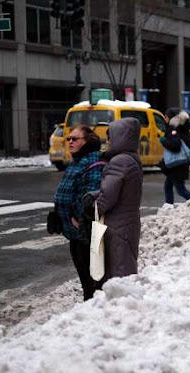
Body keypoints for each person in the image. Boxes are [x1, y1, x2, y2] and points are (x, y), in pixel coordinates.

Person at [84, 117, 143, 281]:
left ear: (120, 137)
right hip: (128, 222)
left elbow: (107, 198)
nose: (107, 141)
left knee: (119, 273)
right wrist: (96, 194)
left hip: (118, 226)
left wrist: (92, 207)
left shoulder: (119, 161)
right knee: (126, 266)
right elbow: (122, 190)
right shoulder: (132, 158)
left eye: (110, 137)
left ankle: (124, 304)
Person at [53, 125, 105, 300]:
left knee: (91, 276)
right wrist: (58, 212)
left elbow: (90, 194)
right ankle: (89, 302)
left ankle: (94, 306)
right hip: (75, 230)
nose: (70, 142)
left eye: (75, 139)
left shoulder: (93, 161)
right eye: (69, 139)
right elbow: (68, 190)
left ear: (87, 141)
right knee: (83, 274)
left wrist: (77, 216)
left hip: (85, 230)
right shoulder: (77, 160)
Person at [159, 107, 190, 203]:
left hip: (176, 165)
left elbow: (175, 145)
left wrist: (164, 141)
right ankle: (169, 207)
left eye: (166, 116)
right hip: (181, 164)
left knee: (181, 190)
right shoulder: (185, 130)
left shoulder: (174, 129)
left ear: (171, 117)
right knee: (168, 186)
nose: (165, 118)